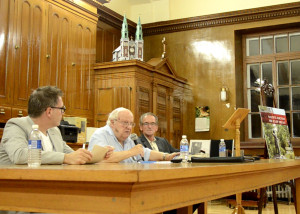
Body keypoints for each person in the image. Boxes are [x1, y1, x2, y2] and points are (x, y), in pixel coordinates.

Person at [0, 86, 112, 165]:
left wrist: (97, 155)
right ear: (49, 111)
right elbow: (20, 155)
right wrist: (65, 158)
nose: (64, 113)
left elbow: (73, 156)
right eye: (62, 109)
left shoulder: (54, 131)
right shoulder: (16, 126)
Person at [88, 107, 179, 163]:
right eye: (125, 123)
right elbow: (101, 160)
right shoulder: (100, 135)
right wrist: (131, 152)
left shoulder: (128, 139)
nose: (129, 127)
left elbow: (145, 153)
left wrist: (166, 156)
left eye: (131, 123)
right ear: (112, 122)